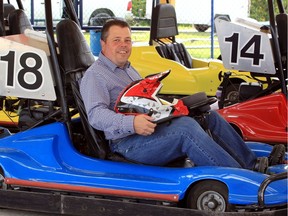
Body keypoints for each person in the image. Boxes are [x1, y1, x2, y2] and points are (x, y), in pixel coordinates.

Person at [80, 19, 283, 172]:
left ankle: (252, 164)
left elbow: (143, 100)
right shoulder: (96, 76)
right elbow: (96, 115)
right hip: (126, 144)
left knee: (207, 115)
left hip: (148, 131)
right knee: (185, 129)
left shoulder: (129, 69)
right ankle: (238, 177)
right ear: (103, 44)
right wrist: (132, 124)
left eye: (127, 40)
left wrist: (173, 108)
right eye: (117, 40)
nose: (124, 45)